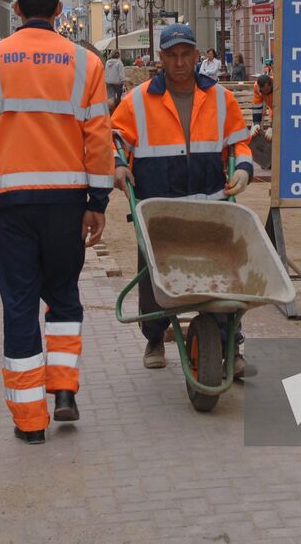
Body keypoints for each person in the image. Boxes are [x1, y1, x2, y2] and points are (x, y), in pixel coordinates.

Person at [0, 0, 113, 445]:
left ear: (17, 10)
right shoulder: (86, 63)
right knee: (63, 295)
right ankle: (63, 391)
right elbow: (98, 139)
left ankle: (30, 423)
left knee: (20, 306)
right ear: (60, 11)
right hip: (67, 202)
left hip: (14, 204)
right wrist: (97, 202)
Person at [110, 23, 254, 373]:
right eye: (172, 55)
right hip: (159, 211)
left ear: (196, 55)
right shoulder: (138, 100)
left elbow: (239, 142)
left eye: (185, 54)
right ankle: (155, 337)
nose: (179, 62)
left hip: (211, 207)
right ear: (161, 57)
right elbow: (113, 138)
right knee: (153, 275)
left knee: (222, 275)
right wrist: (117, 165)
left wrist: (243, 168)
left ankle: (230, 343)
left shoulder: (220, 98)